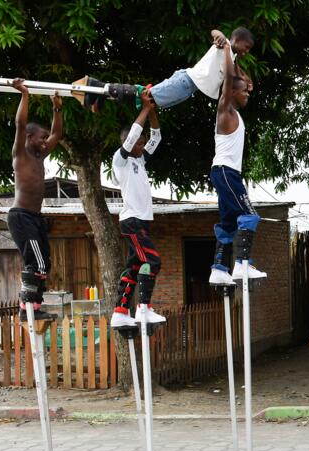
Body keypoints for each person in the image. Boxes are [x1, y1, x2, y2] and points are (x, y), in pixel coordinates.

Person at [207, 41, 266, 285]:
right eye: (244, 91)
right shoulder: (225, 110)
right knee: (250, 215)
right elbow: (230, 79)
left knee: (228, 223)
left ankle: (219, 269)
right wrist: (228, 49)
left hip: (224, 173)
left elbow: (241, 79)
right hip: (226, 173)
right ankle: (242, 265)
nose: (248, 93)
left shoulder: (235, 113)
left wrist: (238, 62)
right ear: (231, 92)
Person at [82, 28, 255, 111]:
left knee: (150, 101)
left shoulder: (231, 56)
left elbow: (235, 67)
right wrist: (220, 36)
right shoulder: (224, 45)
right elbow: (215, 32)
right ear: (237, 39)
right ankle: (99, 86)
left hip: (188, 87)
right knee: (147, 95)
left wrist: (245, 77)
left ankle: (103, 94)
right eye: (246, 47)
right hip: (186, 82)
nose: (246, 52)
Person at [109, 89, 167, 332]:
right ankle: (143, 307)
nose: (142, 146)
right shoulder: (120, 161)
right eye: (137, 143)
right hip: (131, 221)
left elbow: (156, 137)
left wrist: (152, 110)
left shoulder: (140, 160)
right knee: (152, 261)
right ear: (128, 144)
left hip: (142, 221)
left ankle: (120, 312)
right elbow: (133, 136)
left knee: (134, 267)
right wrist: (143, 108)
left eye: (143, 144)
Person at [6, 79, 63, 321]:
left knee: (44, 264)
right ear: (29, 137)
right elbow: (20, 124)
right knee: (37, 264)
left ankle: (34, 308)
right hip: (21, 216)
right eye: (41, 137)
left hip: (35, 218)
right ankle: (25, 310)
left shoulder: (39, 156)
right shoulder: (21, 153)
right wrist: (25, 95)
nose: (45, 141)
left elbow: (58, 134)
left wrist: (57, 107)